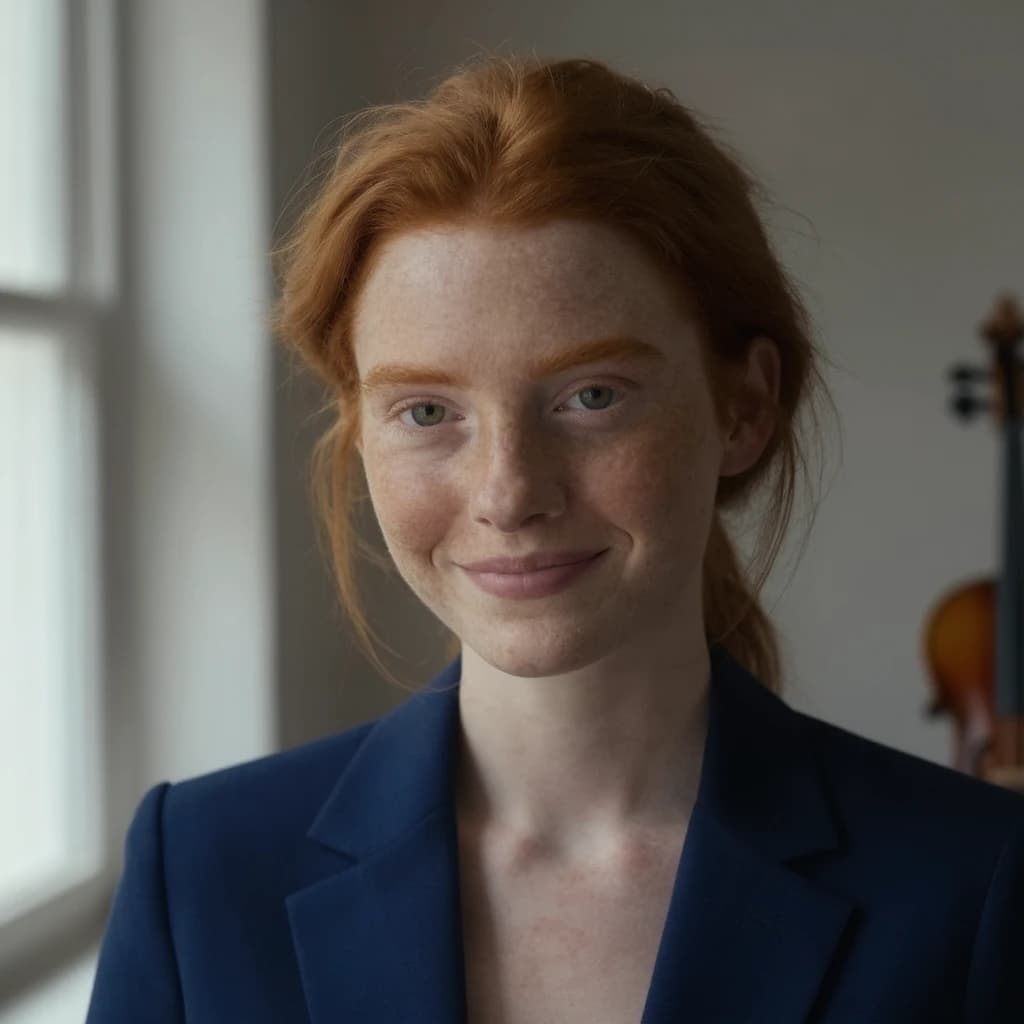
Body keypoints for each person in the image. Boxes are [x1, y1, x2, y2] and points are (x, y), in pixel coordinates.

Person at [86, 52, 1024, 1023]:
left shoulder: (976, 882)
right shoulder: (196, 870)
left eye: (591, 396)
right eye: (423, 411)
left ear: (742, 407)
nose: (507, 492)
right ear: (358, 427)